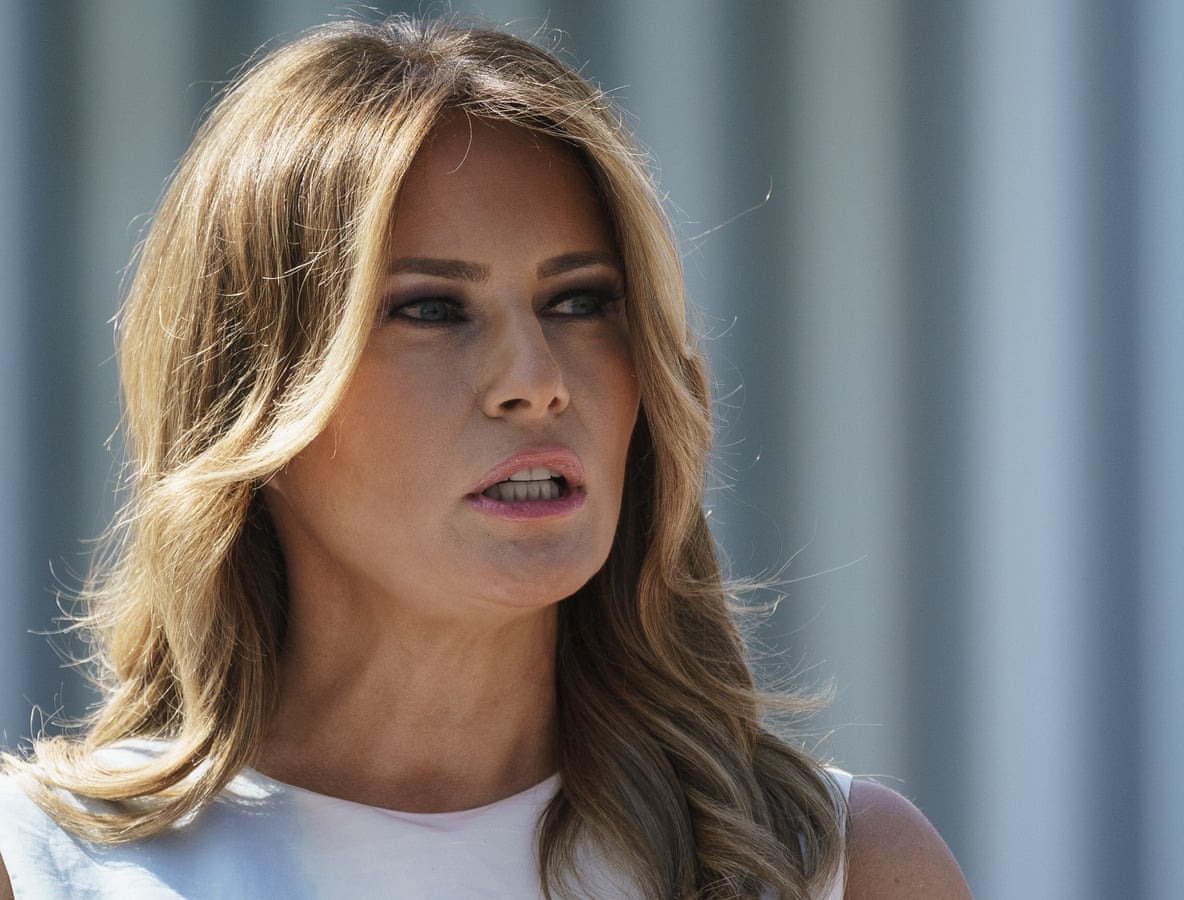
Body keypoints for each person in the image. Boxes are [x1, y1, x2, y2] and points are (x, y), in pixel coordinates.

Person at [0, 15, 970, 899]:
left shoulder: (840, 866)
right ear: (253, 393)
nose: (536, 380)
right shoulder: (42, 867)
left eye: (580, 301)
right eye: (431, 309)